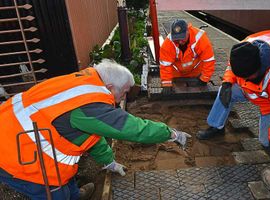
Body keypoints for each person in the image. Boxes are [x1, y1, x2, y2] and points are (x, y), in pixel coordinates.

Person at [0, 59, 191, 200]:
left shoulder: (84, 82)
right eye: (123, 92)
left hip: (15, 129)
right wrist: (171, 133)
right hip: (17, 154)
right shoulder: (91, 106)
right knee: (54, 191)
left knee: (66, 182)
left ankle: (75, 195)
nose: (122, 98)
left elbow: (91, 134)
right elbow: (135, 129)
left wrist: (109, 163)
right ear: (109, 87)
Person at [196, 29, 270, 148]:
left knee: (268, 142)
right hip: (255, 91)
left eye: (246, 77)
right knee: (226, 91)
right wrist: (227, 82)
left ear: (258, 69)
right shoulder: (244, 49)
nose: (242, 79)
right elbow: (232, 66)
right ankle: (216, 126)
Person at [159, 19, 215, 94]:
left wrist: (204, 78)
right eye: (177, 39)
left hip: (196, 73)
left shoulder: (201, 39)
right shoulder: (168, 44)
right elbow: (165, 65)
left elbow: (209, 60)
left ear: (188, 31)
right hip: (176, 74)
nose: (180, 42)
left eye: (182, 38)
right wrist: (166, 83)